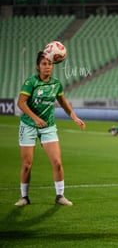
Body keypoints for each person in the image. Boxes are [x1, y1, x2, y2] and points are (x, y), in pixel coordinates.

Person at [15, 51, 86, 207]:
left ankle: (60, 196)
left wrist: (74, 117)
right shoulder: (31, 82)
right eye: (44, 64)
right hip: (28, 125)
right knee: (27, 164)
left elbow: (64, 103)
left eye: (49, 64)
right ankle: (24, 197)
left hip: (48, 127)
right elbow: (21, 103)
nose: (47, 67)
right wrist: (35, 118)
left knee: (57, 163)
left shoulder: (56, 84)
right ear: (38, 66)